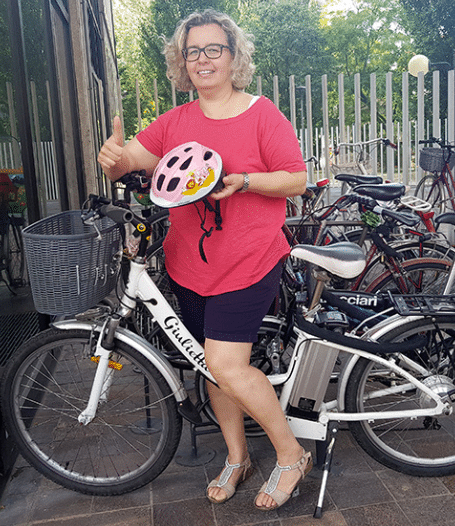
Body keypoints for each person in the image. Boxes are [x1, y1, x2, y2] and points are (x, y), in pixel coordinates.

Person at [97, 9, 310, 511]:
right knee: (211, 369)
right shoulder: (176, 122)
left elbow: (297, 178)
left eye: (214, 49)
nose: (203, 59)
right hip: (190, 266)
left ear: (233, 57)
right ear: (182, 62)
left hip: (250, 260)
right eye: (193, 51)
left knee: (225, 363)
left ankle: (291, 454)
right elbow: (131, 160)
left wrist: (247, 181)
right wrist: (113, 157)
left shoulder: (262, 113)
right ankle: (237, 458)